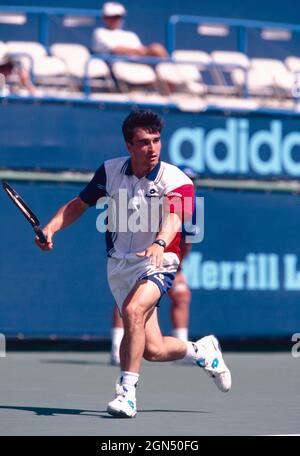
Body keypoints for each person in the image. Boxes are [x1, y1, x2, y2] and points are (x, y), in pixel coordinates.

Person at [35, 109, 231, 419]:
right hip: (119, 266)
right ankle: (201, 351)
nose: (152, 148)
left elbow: (174, 217)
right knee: (153, 350)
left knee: (133, 310)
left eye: (156, 141)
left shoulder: (177, 180)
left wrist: (160, 243)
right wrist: (51, 228)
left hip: (159, 261)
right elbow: (79, 204)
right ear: (129, 146)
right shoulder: (109, 171)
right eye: (143, 142)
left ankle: (126, 394)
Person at [110, 229, 192, 366]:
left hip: (165, 263)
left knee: (181, 294)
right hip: (134, 262)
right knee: (128, 302)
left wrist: (177, 269)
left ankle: (185, 349)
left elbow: (186, 243)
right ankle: (117, 348)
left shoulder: (189, 212)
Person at [92, 2, 167, 58]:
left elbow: (141, 51)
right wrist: (148, 51)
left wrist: (153, 50)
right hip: (119, 69)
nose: (115, 20)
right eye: (111, 17)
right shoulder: (100, 33)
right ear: (104, 18)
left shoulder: (130, 35)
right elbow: (116, 50)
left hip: (138, 67)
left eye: (118, 17)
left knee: (158, 49)